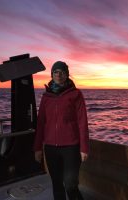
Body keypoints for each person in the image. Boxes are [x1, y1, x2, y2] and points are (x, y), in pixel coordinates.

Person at [34, 61, 89, 200]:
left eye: (62, 71)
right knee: (57, 185)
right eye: (55, 72)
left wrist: (84, 148)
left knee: (70, 184)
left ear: (67, 74)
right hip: (51, 148)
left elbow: (82, 122)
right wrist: (37, 148)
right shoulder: (46, 97)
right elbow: (40, 123)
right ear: (52, 74)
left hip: (71, 147)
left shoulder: (75, 94)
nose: (58, 74)